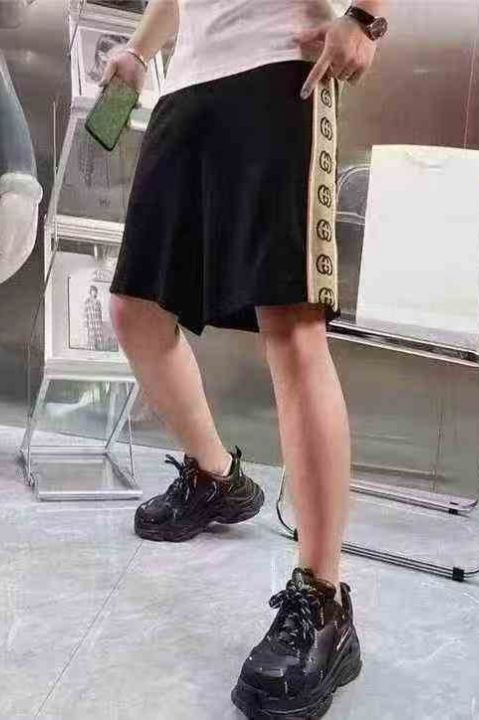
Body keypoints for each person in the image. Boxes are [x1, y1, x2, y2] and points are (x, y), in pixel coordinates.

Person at [102, 1, 387, 717]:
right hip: (189, 81)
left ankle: (323, 602)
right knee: (135, 309)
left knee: (291, 326)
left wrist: (365, 16)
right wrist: (139, 51)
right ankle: (216, 478)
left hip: (283, 65)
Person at [83, 284, 104, 350]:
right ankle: (92, 349)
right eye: (93, 291)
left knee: (98, 336)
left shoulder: (98, 302)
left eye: (95, 291)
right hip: (91, 322)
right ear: (90, 292)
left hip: (97, 322)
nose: (94, 293)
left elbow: (100, 313)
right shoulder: (87, 301)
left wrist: (100, 322)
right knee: (91, 337)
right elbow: (85, 313)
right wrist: (86, 323)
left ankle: (99, 349)